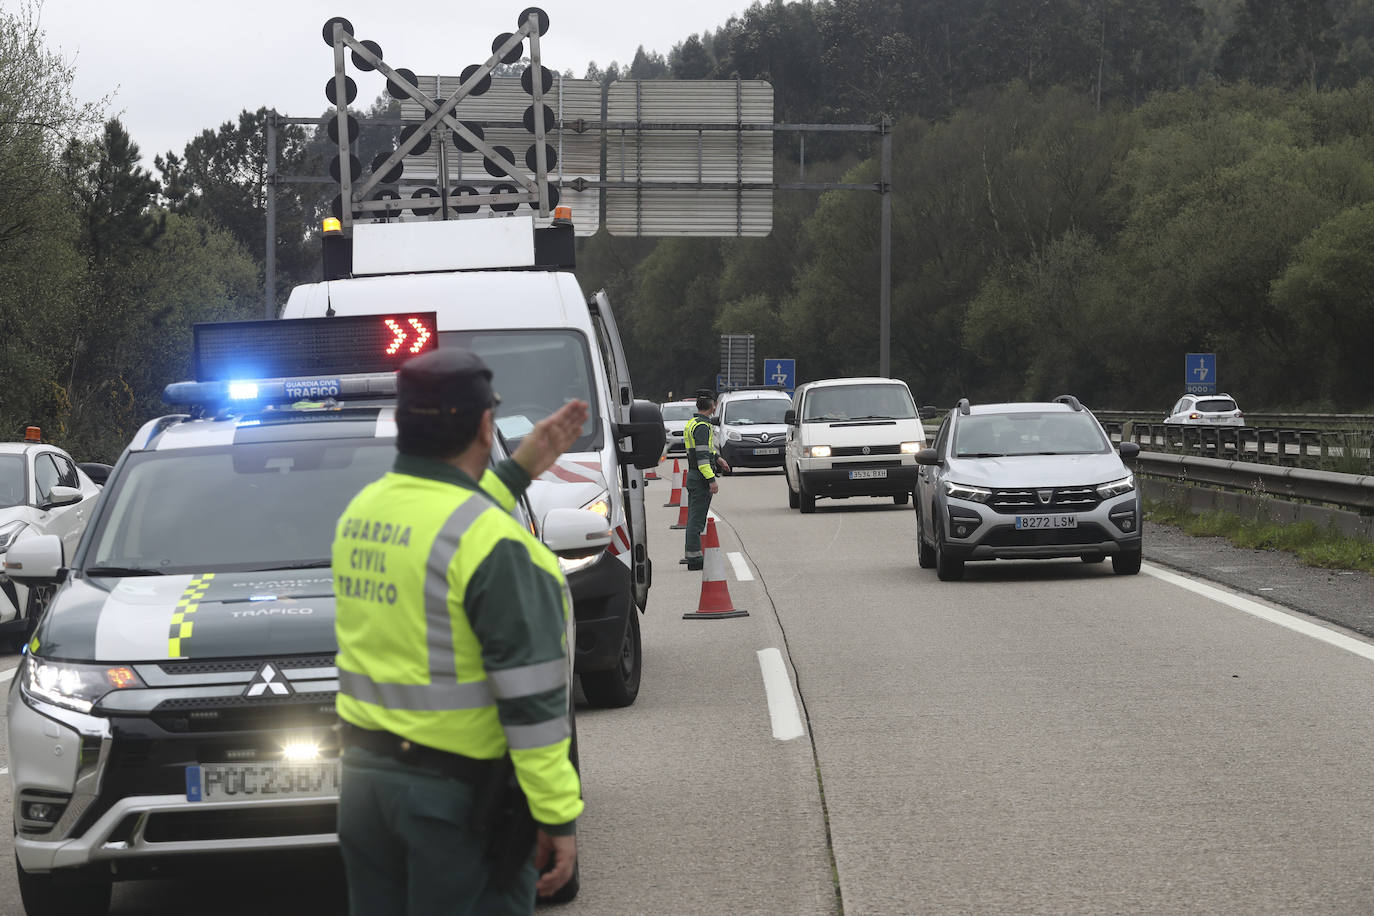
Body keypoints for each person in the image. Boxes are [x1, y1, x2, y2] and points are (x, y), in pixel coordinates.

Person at [332, 347, 588, 915]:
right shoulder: (501, 550)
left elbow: (442, 522)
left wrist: (517, 472)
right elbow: (535, 711)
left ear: (402, 424)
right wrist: (556, 814)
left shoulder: (363, 514)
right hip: (455, 805)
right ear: (483, 424)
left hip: (367, 789)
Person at [681, 389, 730, 570]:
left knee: (695, 518)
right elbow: (702, 458)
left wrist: (717, 458)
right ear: (712, 406)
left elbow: (703, 449)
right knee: (696, 519)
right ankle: (694, 558)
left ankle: (693, 554)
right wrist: (711, 480)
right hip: (700, 477)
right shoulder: (703, 427)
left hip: (694, 475)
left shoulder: (693, 423)